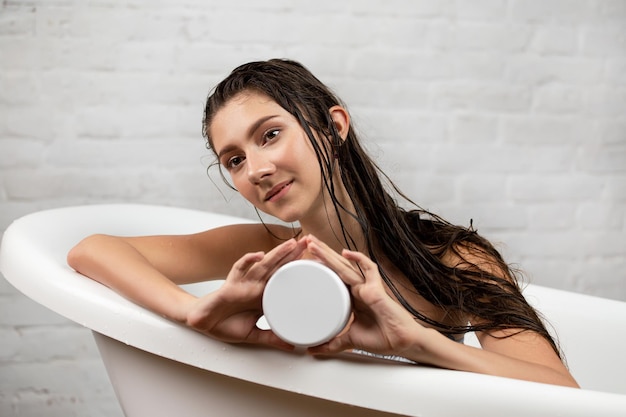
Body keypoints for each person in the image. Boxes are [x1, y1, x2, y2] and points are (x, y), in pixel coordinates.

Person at [67, 58, 579, 388]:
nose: (257, 170)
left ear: (333, 127)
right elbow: (91, 250)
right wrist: (194, 312)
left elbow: (560, 394)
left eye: (269, 135)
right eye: (234, 161)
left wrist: (418, 342)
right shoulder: (264, 252)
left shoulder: (452, 257)